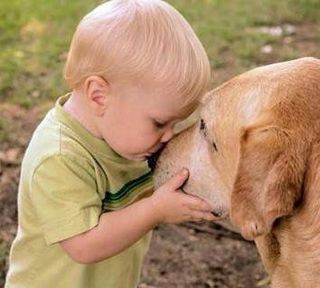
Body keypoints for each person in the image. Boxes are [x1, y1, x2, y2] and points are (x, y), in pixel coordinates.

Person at [5, 0, 219, 287]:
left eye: (175, 124)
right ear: (98, 96)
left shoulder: (126, 138)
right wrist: (155, 209)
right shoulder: (58, 158)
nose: (168, 135)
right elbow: (84, 245)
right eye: (159, 123)